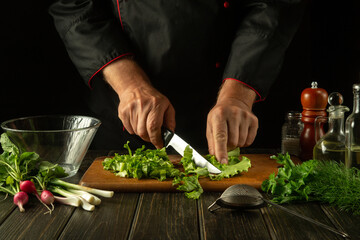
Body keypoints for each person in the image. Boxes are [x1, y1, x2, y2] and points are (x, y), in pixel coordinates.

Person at [49, 0, 305, 163]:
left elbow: (275, 5)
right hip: (126, 116)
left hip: (232, 116)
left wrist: (238, 94)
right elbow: (73, 5)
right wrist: (131, 85)